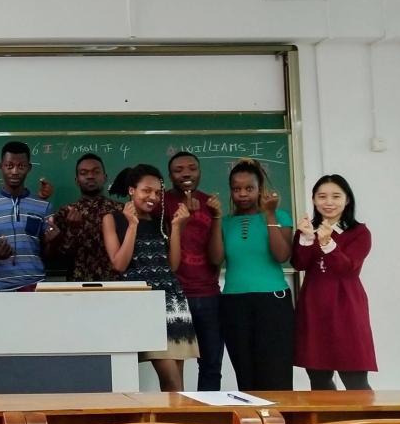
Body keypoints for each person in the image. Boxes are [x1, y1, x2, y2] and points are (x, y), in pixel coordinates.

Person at [101, 164, 198, 391]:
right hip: (144, 304)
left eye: (157, 192)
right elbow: (119, 264)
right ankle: (171, 416)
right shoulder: (112, 219)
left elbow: (172, 265)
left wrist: (177, 227)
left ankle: (177, 415)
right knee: (171, 379)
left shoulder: (160, 221)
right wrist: (132, 225)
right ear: (131, 190)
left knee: (178, 382)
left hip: (172, 301)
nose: (153, 197)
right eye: (146, 190)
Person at [209, 158, 294, 391]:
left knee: (276, 371)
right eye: (236, 189)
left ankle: (280, 415)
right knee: (245, 374)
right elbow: (215, 259)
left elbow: (282, 255)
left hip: (273, 301)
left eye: (249, 188)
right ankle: (251, 415)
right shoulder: (225, 222)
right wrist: (216, 219)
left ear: (259, 189)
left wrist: (270, 215)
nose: (243, 194)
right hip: (234, 302)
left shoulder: (280, 216)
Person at [291, 175, 375, 390]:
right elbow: (299, 263)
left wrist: (327, 242)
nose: (329, 202)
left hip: (346, 306)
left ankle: (366, 415)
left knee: (356, 381)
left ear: (347, 200)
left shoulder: (359, 232)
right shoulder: (307, 229)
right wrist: (307, 238)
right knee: (319, 379)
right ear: (314, 199)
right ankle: (326, 415)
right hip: (314, 306)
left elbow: (348, 269)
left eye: (336, 196)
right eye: (322, 196)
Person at [162, 152, 225, 391]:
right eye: (178, 170)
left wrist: (216, 217)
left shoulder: (211, 204)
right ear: (170, 176)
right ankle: (178, 413)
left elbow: (217, 258)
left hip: (209, 295)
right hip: (174, 295)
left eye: (192, 168)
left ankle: (207, 412)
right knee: (173, 368)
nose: (186, 174)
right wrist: (182, 222)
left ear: (200, 172)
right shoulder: (160, 204)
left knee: (211, 365)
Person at [0, 142, 53, 292]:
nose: (15, 171)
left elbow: (49, 255)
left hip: (35, 288)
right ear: (0, 166)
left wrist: (54, 241)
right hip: (0, 291)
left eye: (21, 166)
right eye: (9, 166)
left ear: (29, 168)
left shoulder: (43, 206)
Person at [49, 154, 122, 281]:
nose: (90, 176)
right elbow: (57, 258)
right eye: (84, 173)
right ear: (77, 180)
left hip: (114, 283)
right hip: (77, 283)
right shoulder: (65, 212)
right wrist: (72, 231)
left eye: (96, 172)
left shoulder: (120, 210)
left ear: (105, 177)